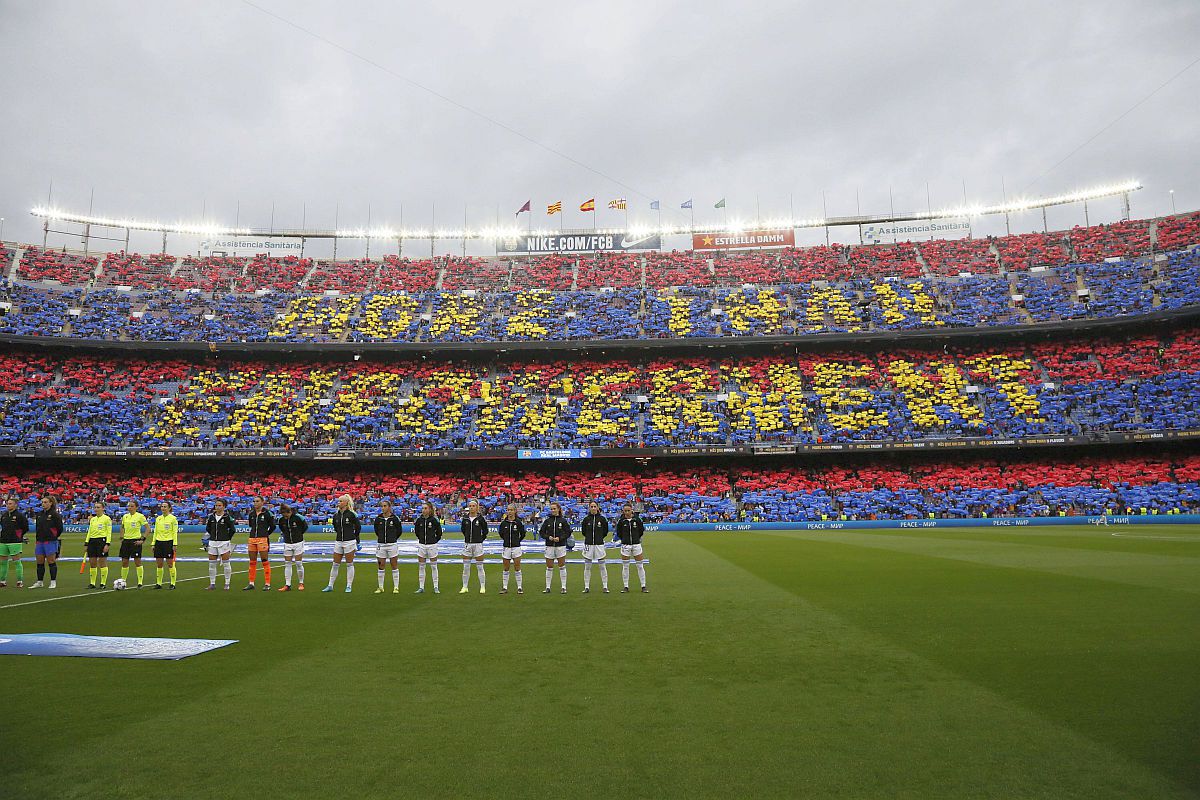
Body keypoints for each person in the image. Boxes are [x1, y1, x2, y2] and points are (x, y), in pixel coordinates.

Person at [324, 494, 360, 593]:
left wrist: (356, 540)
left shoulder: (352, 514)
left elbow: (358, 528)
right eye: (338, 501)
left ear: (346, 503)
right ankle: (330, 585)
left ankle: (349, 585)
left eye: (340, 501)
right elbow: (336, 528)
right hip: (339, 541)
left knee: (349, 564)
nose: (338, 503)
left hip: (349, 541)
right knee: (335, 564)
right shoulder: (336, 515)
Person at [31, 495, 63, 589]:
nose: (43, 504)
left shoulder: (55, 514)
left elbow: (60, 528)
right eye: (42, 502)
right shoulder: (39, 514)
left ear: (51, 503)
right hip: (40, 541)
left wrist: (53, 536)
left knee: (51, 561)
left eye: (45, 502)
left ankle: (53, 581)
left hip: (50, 541)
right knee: (39, 562)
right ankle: (40, 581)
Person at [245, 496, 276, 591]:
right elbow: (251, 525)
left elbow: (273, 526)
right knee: (252, 561)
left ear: (262, 502)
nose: (255, 503)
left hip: (262, 539)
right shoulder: (251, 514)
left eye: (257, 501)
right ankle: (251, 583)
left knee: (264, 560)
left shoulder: (267, 513)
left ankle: (267, 583)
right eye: (254, 501)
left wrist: (266, 534)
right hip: (252, 539)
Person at [538, 501, 570, 594]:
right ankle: (548, 587)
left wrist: (560, 538)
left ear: (559, 509)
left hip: (560, 546)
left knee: (561, 566)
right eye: (551, 509)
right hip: (549, 546)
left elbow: (568, 532)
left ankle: (563, 587)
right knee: (549, 566)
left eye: (554, 509)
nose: (553, 510)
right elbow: (542, 532)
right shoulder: (547, 521)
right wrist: (549, 537)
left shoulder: (563, 521)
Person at [205, 499, 237, 590]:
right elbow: (208, 528)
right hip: (212, 542)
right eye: (216, 505)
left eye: (219, 505)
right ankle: (212, 583)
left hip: (224, 542)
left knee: (226, 563)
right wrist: (213, 536)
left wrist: (227, 538)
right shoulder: (211, 517)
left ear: (224, 506)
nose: (217, 507)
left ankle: (227, 583)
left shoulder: (227, 517)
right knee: (212, 564)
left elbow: (232, 530)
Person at [615, 504, 648, 593]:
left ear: (632, 510)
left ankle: (643, 586)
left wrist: (636, 538)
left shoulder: (637, 519)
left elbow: (641, 531)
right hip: (625, 545)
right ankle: (626, 586)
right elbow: (619, 533)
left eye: (628, 510)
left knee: (640, 566)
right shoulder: (621, 521)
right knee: (625, 566)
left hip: (636, 544)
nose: (627, 512)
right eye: (625, 511)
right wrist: (625, 540)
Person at [373, 499, 402, 594]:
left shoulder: (395, 519)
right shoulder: (378, 519)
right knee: (381, 565)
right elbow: (376, 530)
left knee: (394, 565)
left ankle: (396, 587)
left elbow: (399, 531)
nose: (383, 508)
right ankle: (380, 587)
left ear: (389, 507)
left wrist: (392, 538)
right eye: (382, 506)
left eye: (385, 506)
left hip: (392, 544)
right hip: (381, 544)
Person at [580, 500, 610, 594]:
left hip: (599, 545)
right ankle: (586, 587)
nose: (593, 508)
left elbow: (605, 532)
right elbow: (584, 532)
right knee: (587, 567)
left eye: (594, 506)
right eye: (591, 506)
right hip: (588, 544)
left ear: (597, 507)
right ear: (589, 508)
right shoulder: (586, 519)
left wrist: (599, 538)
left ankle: (605, 586)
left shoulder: (602, 519)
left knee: (602, 566)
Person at [277, 502, 308, 591]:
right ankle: (287, 584)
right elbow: (282, 529)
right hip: (287, 543)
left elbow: (304, 527)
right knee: (287, 563)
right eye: (283, 515)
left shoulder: (298, 518)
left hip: (298, 543)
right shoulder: (281, 520)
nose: (285, 517)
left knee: (298, 563)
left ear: (289, 512)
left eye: (286, 515)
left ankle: (301, 583)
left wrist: (298, 534)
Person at [118, 500, 149, 589]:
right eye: (129, 506)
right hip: (126, 541)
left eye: (132, 506)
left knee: (137, 562)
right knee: (124, 562)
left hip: (135, 541)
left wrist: (142, 539)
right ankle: (123, 581)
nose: (130, 508)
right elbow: (122, 527)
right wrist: (121, 537)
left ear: (136, 507)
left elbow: (147, 528)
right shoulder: (125, 516)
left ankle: (140, 582)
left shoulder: (140, 516)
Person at [459, 500, 488, 594]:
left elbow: (485, 531)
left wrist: (480, 539)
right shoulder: (465, 519)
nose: (471, 507)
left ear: (477, 507)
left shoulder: (480, 519)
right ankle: (465, 587)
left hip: (478, 545)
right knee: (466, 567)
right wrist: (467, 538)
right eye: (470, 506)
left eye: (473, 506)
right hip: (467, 544)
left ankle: (482, 587)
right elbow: (463, 530)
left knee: (480, 567)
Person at [413, 500, 441, 594]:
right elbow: (417, 532)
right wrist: (421, 539)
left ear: (430, 510)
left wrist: (434, 540)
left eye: (425, 508)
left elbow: (439, 533)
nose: (423, 510)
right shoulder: (419, 520)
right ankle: (421, 587)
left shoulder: (434, 520)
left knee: (433, 567)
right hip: (422, 545)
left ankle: (436, 587)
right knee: (421, 567)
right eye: (423, 508)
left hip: (432, 545)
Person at [0, 497, 29, 588]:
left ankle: (19, 581)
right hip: (3, 541)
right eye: (7, 503)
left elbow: (25, 527)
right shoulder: (4, 515)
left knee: (16, 561)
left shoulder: (20, 516)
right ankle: (2, 581)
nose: (8, 505)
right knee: (3, 562)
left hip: (14, 542)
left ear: (15, 505)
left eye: (10, 504)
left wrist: (19, 535)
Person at [497, 503, 526, 594]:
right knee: (506, 568)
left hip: (516, 547)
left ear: (515, 511)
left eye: (511, 510)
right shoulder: (503, 523)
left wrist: (516, 541)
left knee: (517, 567)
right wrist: (506, 541)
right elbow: (501, 534)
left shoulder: (518, 522)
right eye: (508, 510)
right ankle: (505, 587)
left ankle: (519, 587)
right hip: (506, 548)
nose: (510, 512)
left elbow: (523, 534)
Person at [151, 501, 179, 589]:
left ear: (169, 508)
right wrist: (153, 543)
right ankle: (159, 583)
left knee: (170, 564)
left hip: (168, 542)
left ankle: (173, 583)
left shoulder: (173, 519)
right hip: (159, 542)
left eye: (165, 506)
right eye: (162, 506)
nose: (163, 508)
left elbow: (174, 532)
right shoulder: (158, 518)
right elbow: (155, 532)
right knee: (159, 564)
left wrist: (175, 544)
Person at [84, 501, 112, 589]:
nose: (96, 509)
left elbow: (109, 532)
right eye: (95, 507)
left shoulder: (107, 519)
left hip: (102, 540)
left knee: (102, 562)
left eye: (98, 507)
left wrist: (107, 544)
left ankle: (103, 583)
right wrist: (86, 543)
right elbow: (90, 531)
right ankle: (92, 583)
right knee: (92, 562)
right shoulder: (92, 519)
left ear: (103, 508)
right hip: (92, 541)